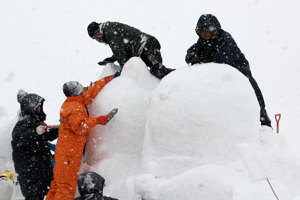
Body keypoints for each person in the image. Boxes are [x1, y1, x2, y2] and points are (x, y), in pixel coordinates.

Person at [185, 14, 271, 127]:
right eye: (202, 32)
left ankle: (262, 117)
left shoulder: (225, 39)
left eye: (207, 32)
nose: (205, 34)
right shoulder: (203, 40)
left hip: (238, 70)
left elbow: (221, 61)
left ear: (214, 30)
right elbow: (192, 51)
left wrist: (203, 61)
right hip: (221, 76)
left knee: (251, 89)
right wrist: (192, 57)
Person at [46, 74, 119, 200]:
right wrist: (97, 120)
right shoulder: (74, 107)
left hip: (64, 152)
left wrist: (106, 80)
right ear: (76, 92)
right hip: (69, 154)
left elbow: (90, 94)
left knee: (57, 185)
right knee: (66, 187)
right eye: (80, 89)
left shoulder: (74, 101)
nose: (83, 90)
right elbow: (79, 128)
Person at [11, 93, 59, 200]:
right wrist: (35, 132)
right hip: (31, 174)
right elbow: (19, 140)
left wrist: (60, 130)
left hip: (40, 172)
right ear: (31, 107)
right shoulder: (23, 124)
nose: (40, 109)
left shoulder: (35, 122)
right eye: (38, 106)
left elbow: (45, 136)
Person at [87, 21, 174, 79]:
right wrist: (112, 59)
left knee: (158, 71)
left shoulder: (109, 30)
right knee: (153, 75)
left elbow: (119, 51)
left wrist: (124, 70)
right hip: (143, 48)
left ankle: (182, 76)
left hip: (146, 44)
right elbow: (123, 48)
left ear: (97, 31)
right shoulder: (108, 30)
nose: (97, 40)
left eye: (95, 37)